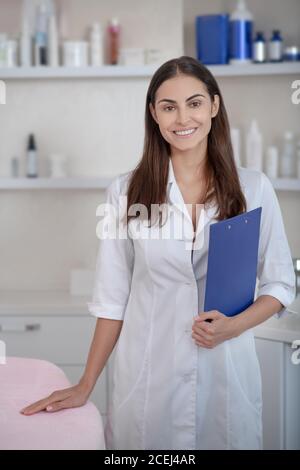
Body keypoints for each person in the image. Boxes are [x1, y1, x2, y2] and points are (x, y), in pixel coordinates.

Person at [21, 56, 295, 450]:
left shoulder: (254, 189)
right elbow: (112, 298)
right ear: (154, 114)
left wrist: (234, 327)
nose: (183, 117)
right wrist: (86, 383)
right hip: (148, 381)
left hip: (226, 377)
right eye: (169, 107)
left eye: (195, 103)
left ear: (214, 107)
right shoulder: (124, 192)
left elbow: (280, 283)